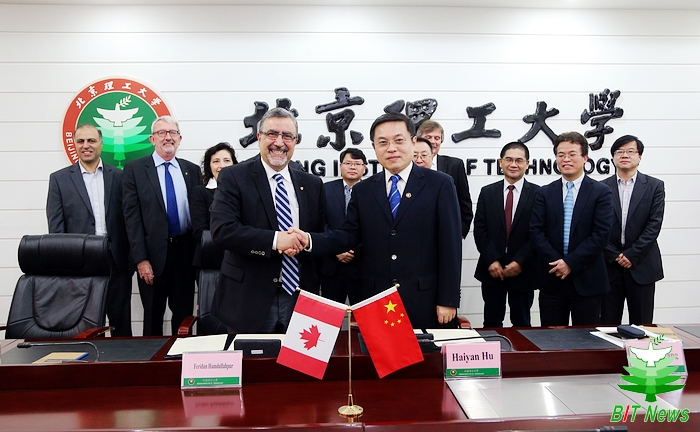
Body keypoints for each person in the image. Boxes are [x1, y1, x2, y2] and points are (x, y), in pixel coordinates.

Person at [301, 113, 462, 329]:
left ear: (413, 141)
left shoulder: (440, 184)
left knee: (424, 352)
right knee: (377, 352)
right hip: (377, 299)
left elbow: (451, 245)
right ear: (374, 147)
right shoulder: (364, 190)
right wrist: (308, 240)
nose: (391, 148)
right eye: (383, 142)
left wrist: (448, 299)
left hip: (425, 299)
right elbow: (348, 234)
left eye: (399, 140)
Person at [209, 107, 325, 333]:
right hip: (249, 298)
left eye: (287, 136)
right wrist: (275, 240)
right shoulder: (234, 176)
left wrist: (303, 242)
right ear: (259, 137)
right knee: (252, 358)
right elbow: (223, 230)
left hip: (299, 297)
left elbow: (318, 234)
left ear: (296, 141)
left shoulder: (312, 184)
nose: (279, 142)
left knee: (298, 357)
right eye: (272, 134)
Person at [46, 124, 134, 336]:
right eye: (81, 141)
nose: (86, 145)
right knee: (86, 324)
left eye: (91, 141)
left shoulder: (119, 176)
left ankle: (123, 357)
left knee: (121, 323)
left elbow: (130, 220)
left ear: (101, 144)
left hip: (116, 260)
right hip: (80, 262)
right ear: (75, 145)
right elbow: (56, 228)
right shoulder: (59, 179)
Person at [122, 116, 202, 336]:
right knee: (152, 317)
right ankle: (153, 359)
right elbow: (131, 218)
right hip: (152, 256)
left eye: (172, 132)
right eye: (161, 133)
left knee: (184, 317)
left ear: (180, 138)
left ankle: (180, 355)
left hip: (184, 254)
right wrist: (141, 259)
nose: (168, 137)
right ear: (152, 139)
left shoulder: (192, 170)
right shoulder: (135, 170)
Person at [530, 131, 613, 326]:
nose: (566, 159)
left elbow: (601, 235)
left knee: (586, 339)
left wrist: (570, 263)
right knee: (551, 338)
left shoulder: (601, 192)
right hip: (552, 278)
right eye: (561, 155)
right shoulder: (544, 193)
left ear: (585, 158)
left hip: (587, 279)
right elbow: (536, 232)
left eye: (572, 154)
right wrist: (558, 263)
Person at [473, 141, 539, 327]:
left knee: (522, 323)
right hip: (491, 270)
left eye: (519, 160)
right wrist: (492, 259)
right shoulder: (487, 192)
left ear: (527, 164)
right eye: (509, 159)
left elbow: (538, 233)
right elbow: (480, 229)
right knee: (491, 322)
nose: (513, 164)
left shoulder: (538, 194)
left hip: (523, 271)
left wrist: (520, 262)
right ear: (500, 162)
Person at [601, 135, 665, 325]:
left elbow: (654, 225)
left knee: (643, 326)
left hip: (642, 265)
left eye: (630, 151)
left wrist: (631, 254)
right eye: (619, 152)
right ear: (613, 157)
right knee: (607, 325)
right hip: (609, 266)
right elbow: (597, 227)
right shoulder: (601, 187)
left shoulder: (654, 186)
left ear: (640, 156)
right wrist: (614, 254)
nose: (624, 155)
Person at [321, 148, 367, 304]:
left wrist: (356, 251)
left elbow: (375, 227)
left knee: (363, 315)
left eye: (357, 164)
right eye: (348, 163)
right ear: (340, 166)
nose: (352, 167)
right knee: (330, 314)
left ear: (364, 168)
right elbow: (320, 222)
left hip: (361, 266)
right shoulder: (325, 190)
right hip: (331, 266)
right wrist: (336, 248)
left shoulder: (372, 191)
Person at [417, 120, 473, 238]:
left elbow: (464, 203)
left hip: (447, 234)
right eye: (428, 137)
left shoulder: (455, 165)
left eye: (437, 138)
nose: (433, 141)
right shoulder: (408, 166)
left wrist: (461, 232)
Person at [190, 142, 238, 267]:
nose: (222, 166)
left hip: (239, 261)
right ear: (209, 166)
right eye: (216, 161)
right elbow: (199, 232)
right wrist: (236, 237)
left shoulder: (243, 191)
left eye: (227, 160)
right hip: (211, 260)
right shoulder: (200, 192)